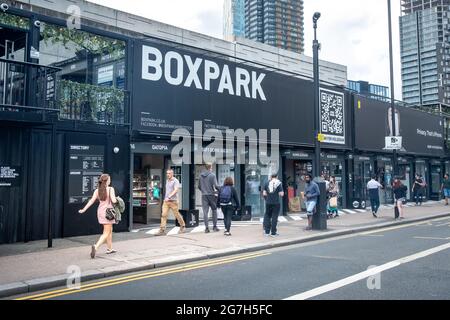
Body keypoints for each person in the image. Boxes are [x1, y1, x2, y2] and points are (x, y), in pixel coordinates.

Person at [79, 174, 118, 259]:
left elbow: (91, 201)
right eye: (109, 179)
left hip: (101, 212)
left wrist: (84, 209)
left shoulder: (97, 190)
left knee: (110, 229)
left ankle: (109, 248)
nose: (110, 181)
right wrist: (118, 199)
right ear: (107, 181)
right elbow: (114, 200)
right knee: (106, 232)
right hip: (109, 212)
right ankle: (96, 246)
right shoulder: (111, 189)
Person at [156, 169, 186, 236]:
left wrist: (169, 196)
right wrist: (166, 198)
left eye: (169, 173)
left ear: (172, 174)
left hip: (173, 201)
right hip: (166, 201)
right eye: (167, 173)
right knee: (164, 215)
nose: (167, 175)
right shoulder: (167, 181)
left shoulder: (175, 181)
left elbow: (176, 190)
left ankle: (183, 226)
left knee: (176, 215)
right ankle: (162, 230)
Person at [199, 164, 220, 233]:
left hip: (204, 195)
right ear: (210, 167)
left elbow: (199, 186)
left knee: (205, 212)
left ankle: (207, 228)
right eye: (211, 167)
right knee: (214, 210)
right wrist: (220, 190)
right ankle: (214, 227)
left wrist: (203, 191)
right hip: (212, 195)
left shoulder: (201, 176)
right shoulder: (212, 175)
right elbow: (216, 185)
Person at [263, 173, 284, 237]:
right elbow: (281, 194)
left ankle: (267, 232)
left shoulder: (266, 183)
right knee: (274, 217)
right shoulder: (278, 183)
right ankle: (273, 233)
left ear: (271, 177)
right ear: (277, 177)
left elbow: (264, 194)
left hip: (268, 203)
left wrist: (267, 198)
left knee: (267, 216)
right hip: (276, 203)